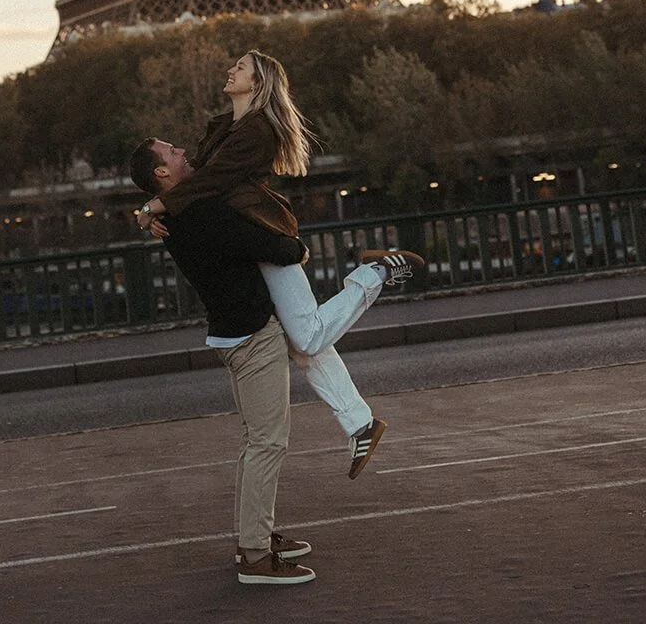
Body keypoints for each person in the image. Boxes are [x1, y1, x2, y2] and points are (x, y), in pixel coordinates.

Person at [134, 50, 425, 477]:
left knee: (306, 337)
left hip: (263, 234)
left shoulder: (259, 131)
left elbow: (212, 182)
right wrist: (153, 212)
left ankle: (379, 271)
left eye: (241, 67)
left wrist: (155, 205)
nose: (230, 69)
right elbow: (191, 181)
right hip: (246, 239)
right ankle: (360, 424)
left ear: (257, 83)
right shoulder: (223, 128)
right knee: (302, 342)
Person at [130, 138, 316, 586]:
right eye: (172, 151)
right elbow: (266, 245)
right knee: (268, 443)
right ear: (161, 171)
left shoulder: (174, 212)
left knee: (257, 440)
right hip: (251, 336)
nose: (182, 152)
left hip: (231, 333)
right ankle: (254, 555)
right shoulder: (198, 212)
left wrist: (147, 211)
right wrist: (298, 250)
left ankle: (256, 536)